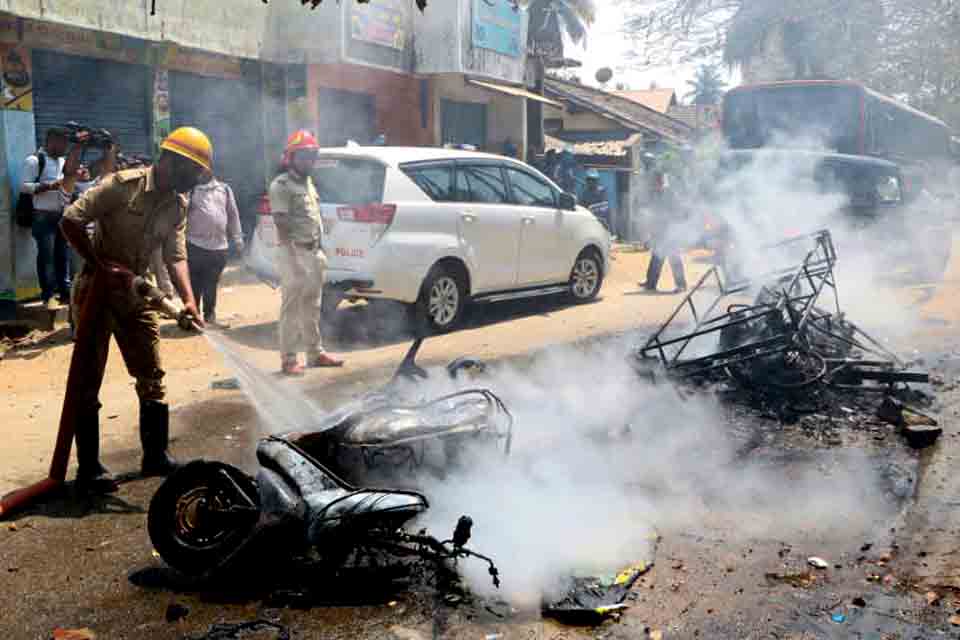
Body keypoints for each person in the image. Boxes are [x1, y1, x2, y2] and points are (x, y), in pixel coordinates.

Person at [59, 127, 210, 493]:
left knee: (151, 374)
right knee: (87, 378)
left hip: (137, 291)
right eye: (191, 172)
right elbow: (70, 220)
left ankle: (155, 455)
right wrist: (99, 264)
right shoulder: (121, 186)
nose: (193, 181)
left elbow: (176, 256)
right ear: (171, 161)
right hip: (95, 290)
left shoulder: (177, 204)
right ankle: (89, 468)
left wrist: (189, 300)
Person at [269, 129, 344, 376]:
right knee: (291, 309)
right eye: (303, 156)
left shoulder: (308, 183)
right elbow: (281, 224)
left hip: (313, 252)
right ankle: (289, 359)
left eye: (312, 156)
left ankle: (315, 353)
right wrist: (294, 261)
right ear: (290, 158)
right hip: (294, 254)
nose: (309, 161)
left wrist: (320, 250)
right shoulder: (281, 186)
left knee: (312, 306)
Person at [21, 126, 71, 310]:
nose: (65, 147)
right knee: (47, 257)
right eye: (63, 143)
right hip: (42, 216)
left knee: (62, 256)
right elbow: (25, 187)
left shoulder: (63, 161)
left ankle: (65, 293)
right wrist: (50, 186)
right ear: (51, 141)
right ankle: (48, 295)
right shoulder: (34, 160)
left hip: (61, 216)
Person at [186, 171, 243, 327]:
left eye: (205, 168)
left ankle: (210, 317)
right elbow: (182, 216)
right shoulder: (192, 190)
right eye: (200, 169)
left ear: (211, 170)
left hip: (219, 247)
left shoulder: (224, 189)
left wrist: (238, 238)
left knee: (211, 283)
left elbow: (233, 214)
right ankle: (194, 317)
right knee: (195, 283)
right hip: (195, 244)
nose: (202, 172)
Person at [641, 154, 688, 293]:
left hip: (670, 231)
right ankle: (650, 283)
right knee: (657, 256)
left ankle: (681, 285)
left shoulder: (670, 193)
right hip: (660, 230)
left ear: (661, 181)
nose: (653, 184)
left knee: (674, 257)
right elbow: (653, 212)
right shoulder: (655, 194)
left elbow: (677, 211)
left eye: (656, 182)